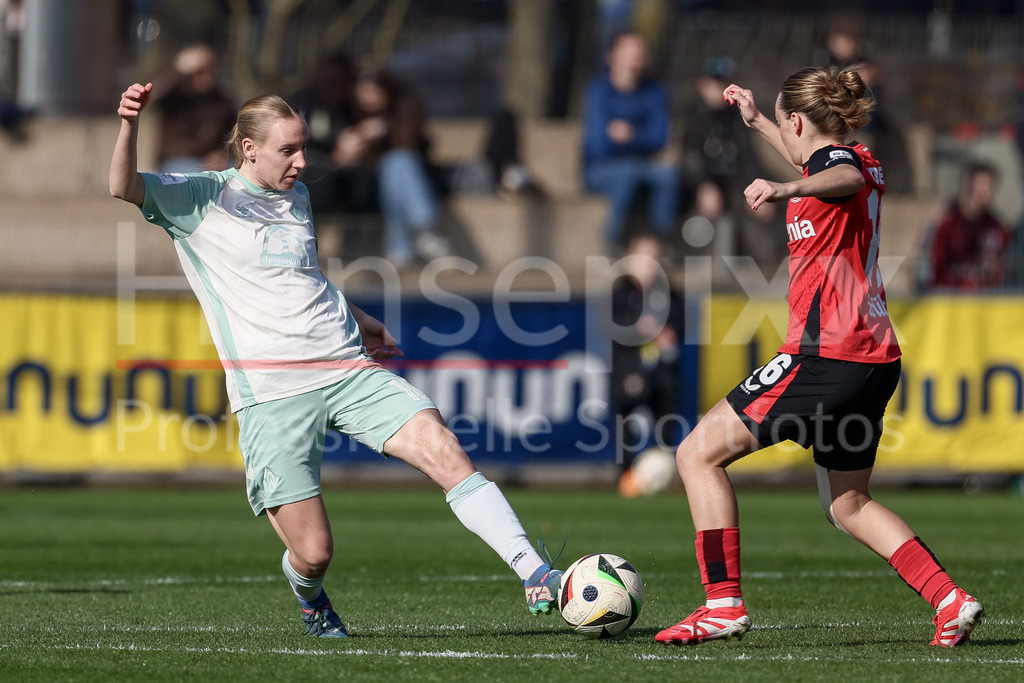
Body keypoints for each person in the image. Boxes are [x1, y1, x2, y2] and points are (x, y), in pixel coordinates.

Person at [109, 82, 563, 638]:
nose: (302, 162)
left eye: (303, 148)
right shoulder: (201, 197)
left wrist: (359, 315)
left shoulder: (294, 196)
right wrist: (129, 124)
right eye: (288, 151)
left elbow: (301, 276)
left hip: (344, 364)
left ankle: (535, 572)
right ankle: (310, 598)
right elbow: (123, 186)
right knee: (315, 552)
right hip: (271, 391)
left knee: (443, 449)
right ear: (248, 149)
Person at [654, 66, 985, 648]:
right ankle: (949, 599)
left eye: (785, 124)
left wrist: (785, 189)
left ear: (801, 120)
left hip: (827, 353)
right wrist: (757, 120)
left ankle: (722, 605)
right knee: (848, 503)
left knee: (696, 455)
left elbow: (840, 176)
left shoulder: (844, 169)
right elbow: (822, 163)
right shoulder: (854, 159)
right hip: (873, 358)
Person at [332, 70, 450, 266]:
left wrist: (386, 129)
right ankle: (425, 230)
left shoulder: (404, 108)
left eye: (373, 91)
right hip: (366, 183)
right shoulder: (350, 113)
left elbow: (413, 146)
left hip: (408, 179)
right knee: (393, 166)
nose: (368, 98)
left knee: (397, 163)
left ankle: (401, 248)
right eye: (363, 92)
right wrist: (355, 143)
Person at [679, 56, 785, 268]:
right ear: (703, 85)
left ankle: (773, 258)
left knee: (773, 204)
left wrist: (758, 188)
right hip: (698, 188)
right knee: (700, 225)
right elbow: (689, 157)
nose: (721, 89)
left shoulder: (737, 117)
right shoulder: (693, 114)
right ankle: (689, 260)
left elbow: (748, 156)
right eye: (716, 83)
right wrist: (703, 185)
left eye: (726, 83)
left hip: (736, 184)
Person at [582, 30, 681, 249]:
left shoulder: (655, 91)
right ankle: (613, 244)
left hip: (645, 166)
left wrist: (631, 134)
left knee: (668, 174)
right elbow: (600, 144)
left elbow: (661, 138)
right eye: (629, 49)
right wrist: (641, 140)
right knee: (627, 173)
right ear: (611, 56)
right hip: (600, 169)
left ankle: (659, 244)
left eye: (640, 49)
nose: (637, 54)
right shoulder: (597, 91)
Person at [610, 231, 684, 495]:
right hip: (630, 370)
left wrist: (669, 334)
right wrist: (645, 330)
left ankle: (662, 473)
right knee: (626, 422)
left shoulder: (669, 294)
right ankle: (626, 476)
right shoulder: (622, 294)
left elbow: (680, 324)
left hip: (663, 370)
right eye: (643, 257)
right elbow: (618, 327)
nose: (649, 264)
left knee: (665, 420)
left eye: (654, 257)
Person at [923, 162, 1011, 290]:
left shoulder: (996, 228)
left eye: (989, 186)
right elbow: (928, 262)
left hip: (984, 301)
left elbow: (1000, 270)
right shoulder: (944, 223)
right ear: (967, 185)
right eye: (980, 184)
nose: (984, 190)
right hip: (945, 298)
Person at [151, 43, 236, 173]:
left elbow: (233, 136)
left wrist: (221, 154)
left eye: (210, 69)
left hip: (211, 162)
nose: (205, 76)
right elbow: (152, 97)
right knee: (196, 176)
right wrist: (178, 69)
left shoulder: (222, 102)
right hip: (177, 160)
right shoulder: (175, 96)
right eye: (199, 71)